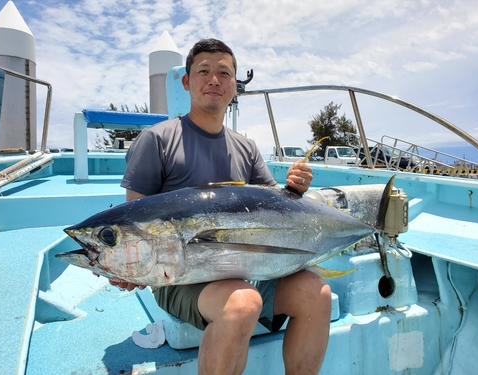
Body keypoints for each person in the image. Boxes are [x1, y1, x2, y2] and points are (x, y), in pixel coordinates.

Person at [113, 38, 332, 375]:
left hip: (247, 267)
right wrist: (127, 265)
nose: (213, 80)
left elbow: (272, 209)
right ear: (187, 82)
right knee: (243, 303)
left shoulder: (246, 148)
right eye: (203, 71)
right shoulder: (157, 140)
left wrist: (293, 188)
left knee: (317, 293)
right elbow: (135, 224)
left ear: (234, 86)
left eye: (224, 73)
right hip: (182, 278)